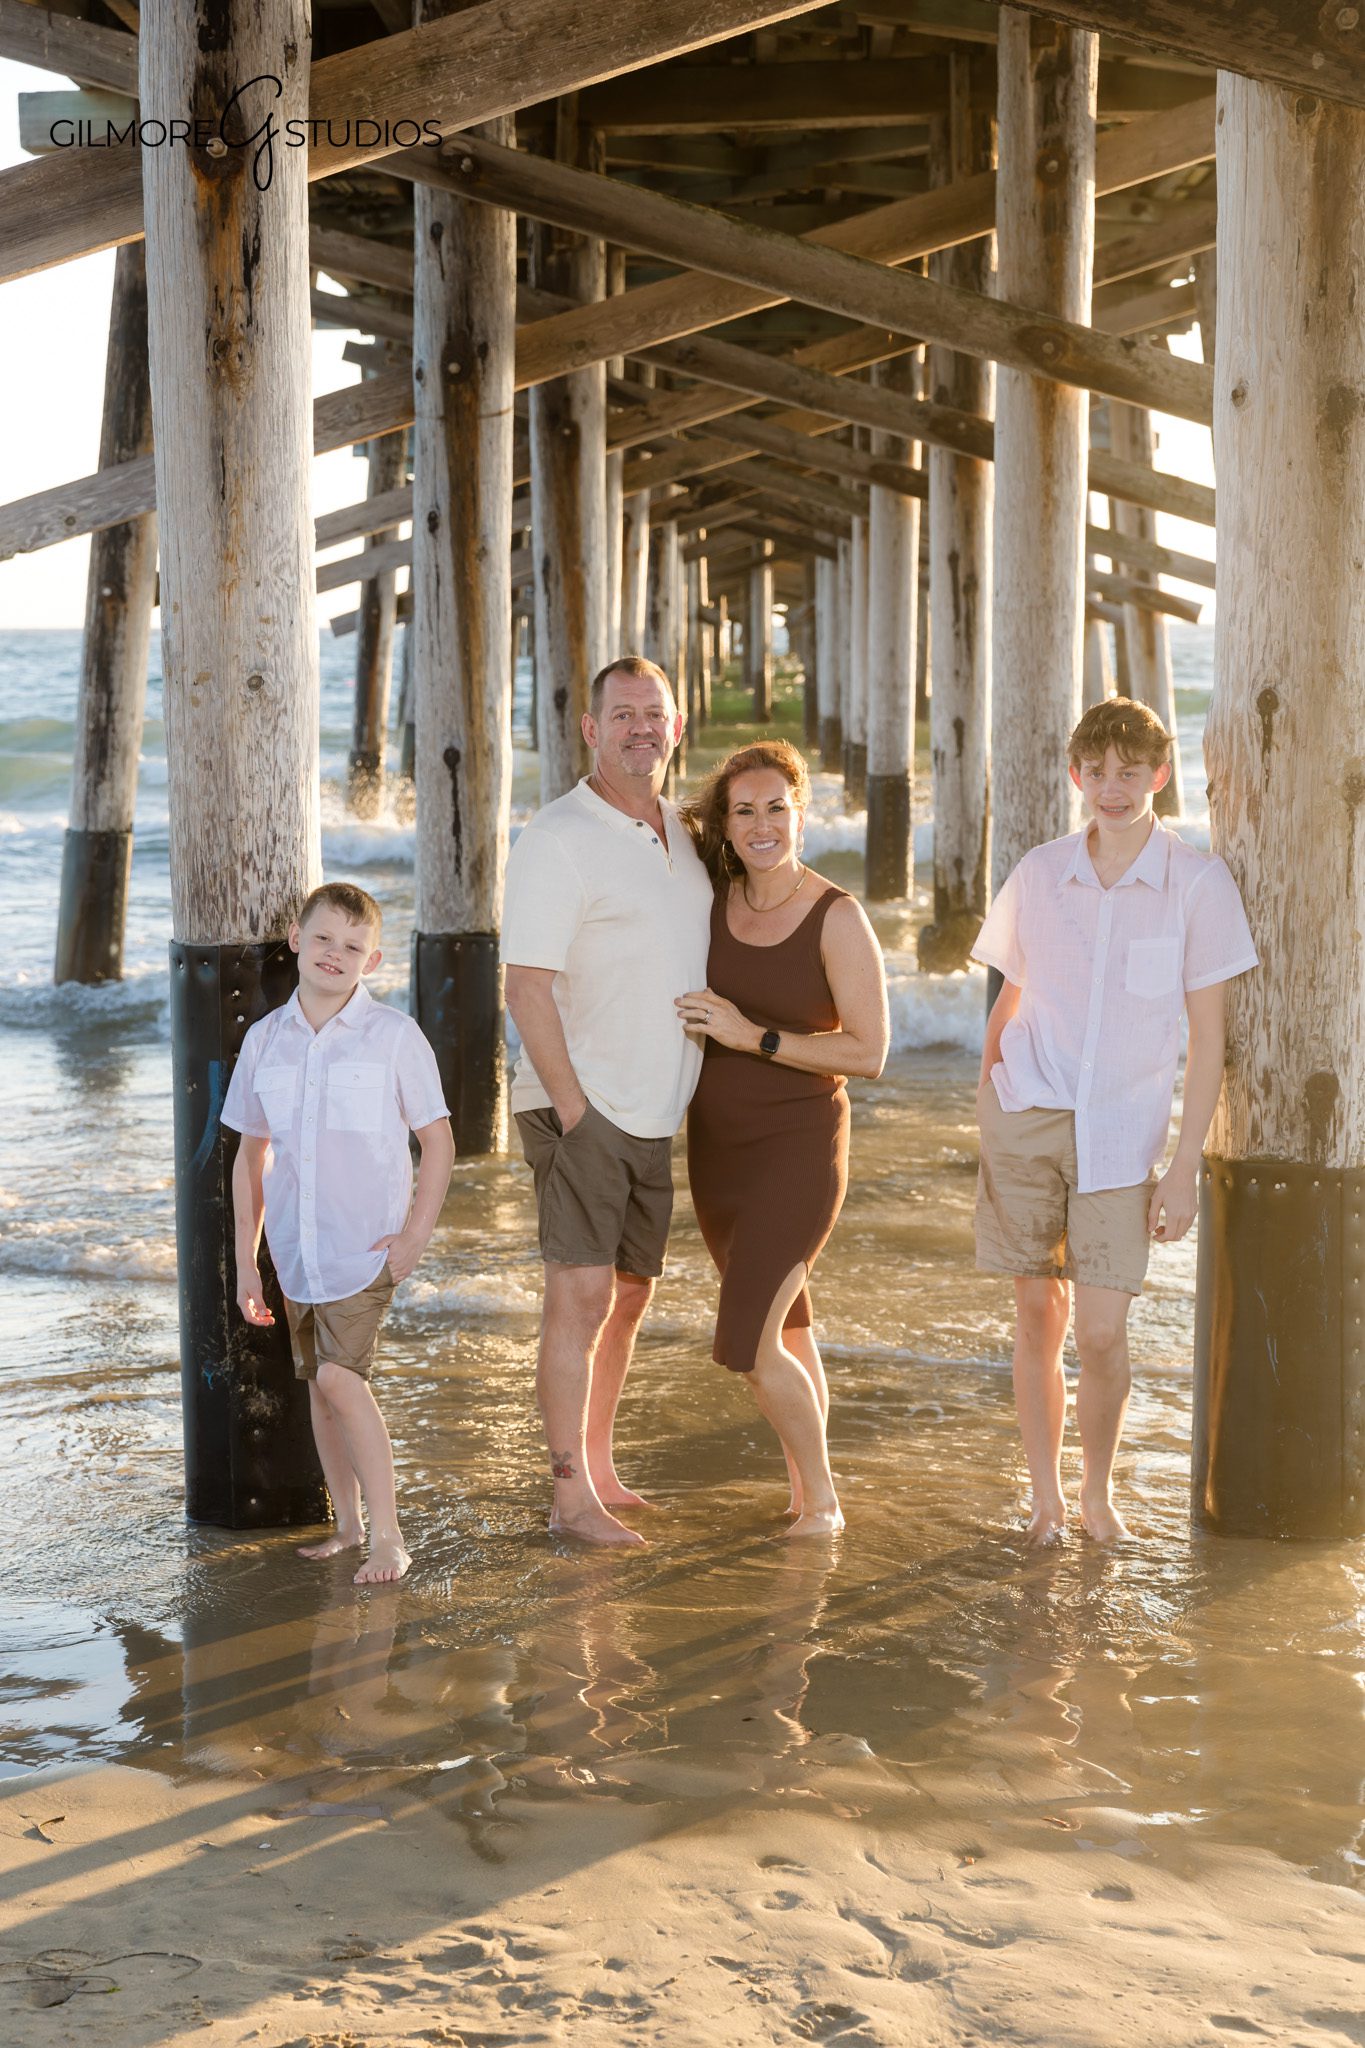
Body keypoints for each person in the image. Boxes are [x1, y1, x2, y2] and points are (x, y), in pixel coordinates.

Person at [972, 698, 1258, 1548]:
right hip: (1027, 1116)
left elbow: (1207, 1042)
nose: (1110, 788)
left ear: (1158, 776)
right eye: (1095, 772)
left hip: (1121, 1137)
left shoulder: (1195, 883)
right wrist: (990, 1100)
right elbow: (1005, 996)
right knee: (1035, 1316)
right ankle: (1046, 1502)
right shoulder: (1039, 871)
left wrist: (1183, 1167)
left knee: (1098, 1332)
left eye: (1128, 772)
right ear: (1075, 774)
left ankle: (1096, 1496)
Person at [502, 657, 713, 1548]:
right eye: (621, 715)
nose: (640, 729)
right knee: (578, 1299)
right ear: (589, 730)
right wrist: (576, 1109)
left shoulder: (685, 830)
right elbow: (525, 987)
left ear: (676, 725)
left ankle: (598, 1467)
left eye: (654, 714)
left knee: (627, 1299)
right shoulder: (557, 836)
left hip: (656, 1108)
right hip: (580, 1102)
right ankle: (566, 1497)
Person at [675, 741, 889, 1538]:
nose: (761, 825)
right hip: (717, 1154)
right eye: (743, 810)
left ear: (801, 813)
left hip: (796, 1151)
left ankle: (826, 1502)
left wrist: (748, 1035)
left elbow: (868, 1052)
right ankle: (803, 1493)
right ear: (723, 826)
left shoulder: (837, 916)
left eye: (775, 808)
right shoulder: (712, 897)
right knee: (788, 1327)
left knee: (746, 1343)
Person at [224, 881, 454, 1584]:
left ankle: (389, 1536)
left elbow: (438, 1142)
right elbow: (250, 1157)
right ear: (296, 940)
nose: (334, 953)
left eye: (352, 946)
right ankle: (348, 1527)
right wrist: (247, 1262)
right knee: (319, 1391)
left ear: (373, 959)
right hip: (296, 1250)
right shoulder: (266, 1041)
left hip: (364, 1247)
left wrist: (415, 1234)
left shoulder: (393, 1037)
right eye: (322, 938)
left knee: (337, 1377)